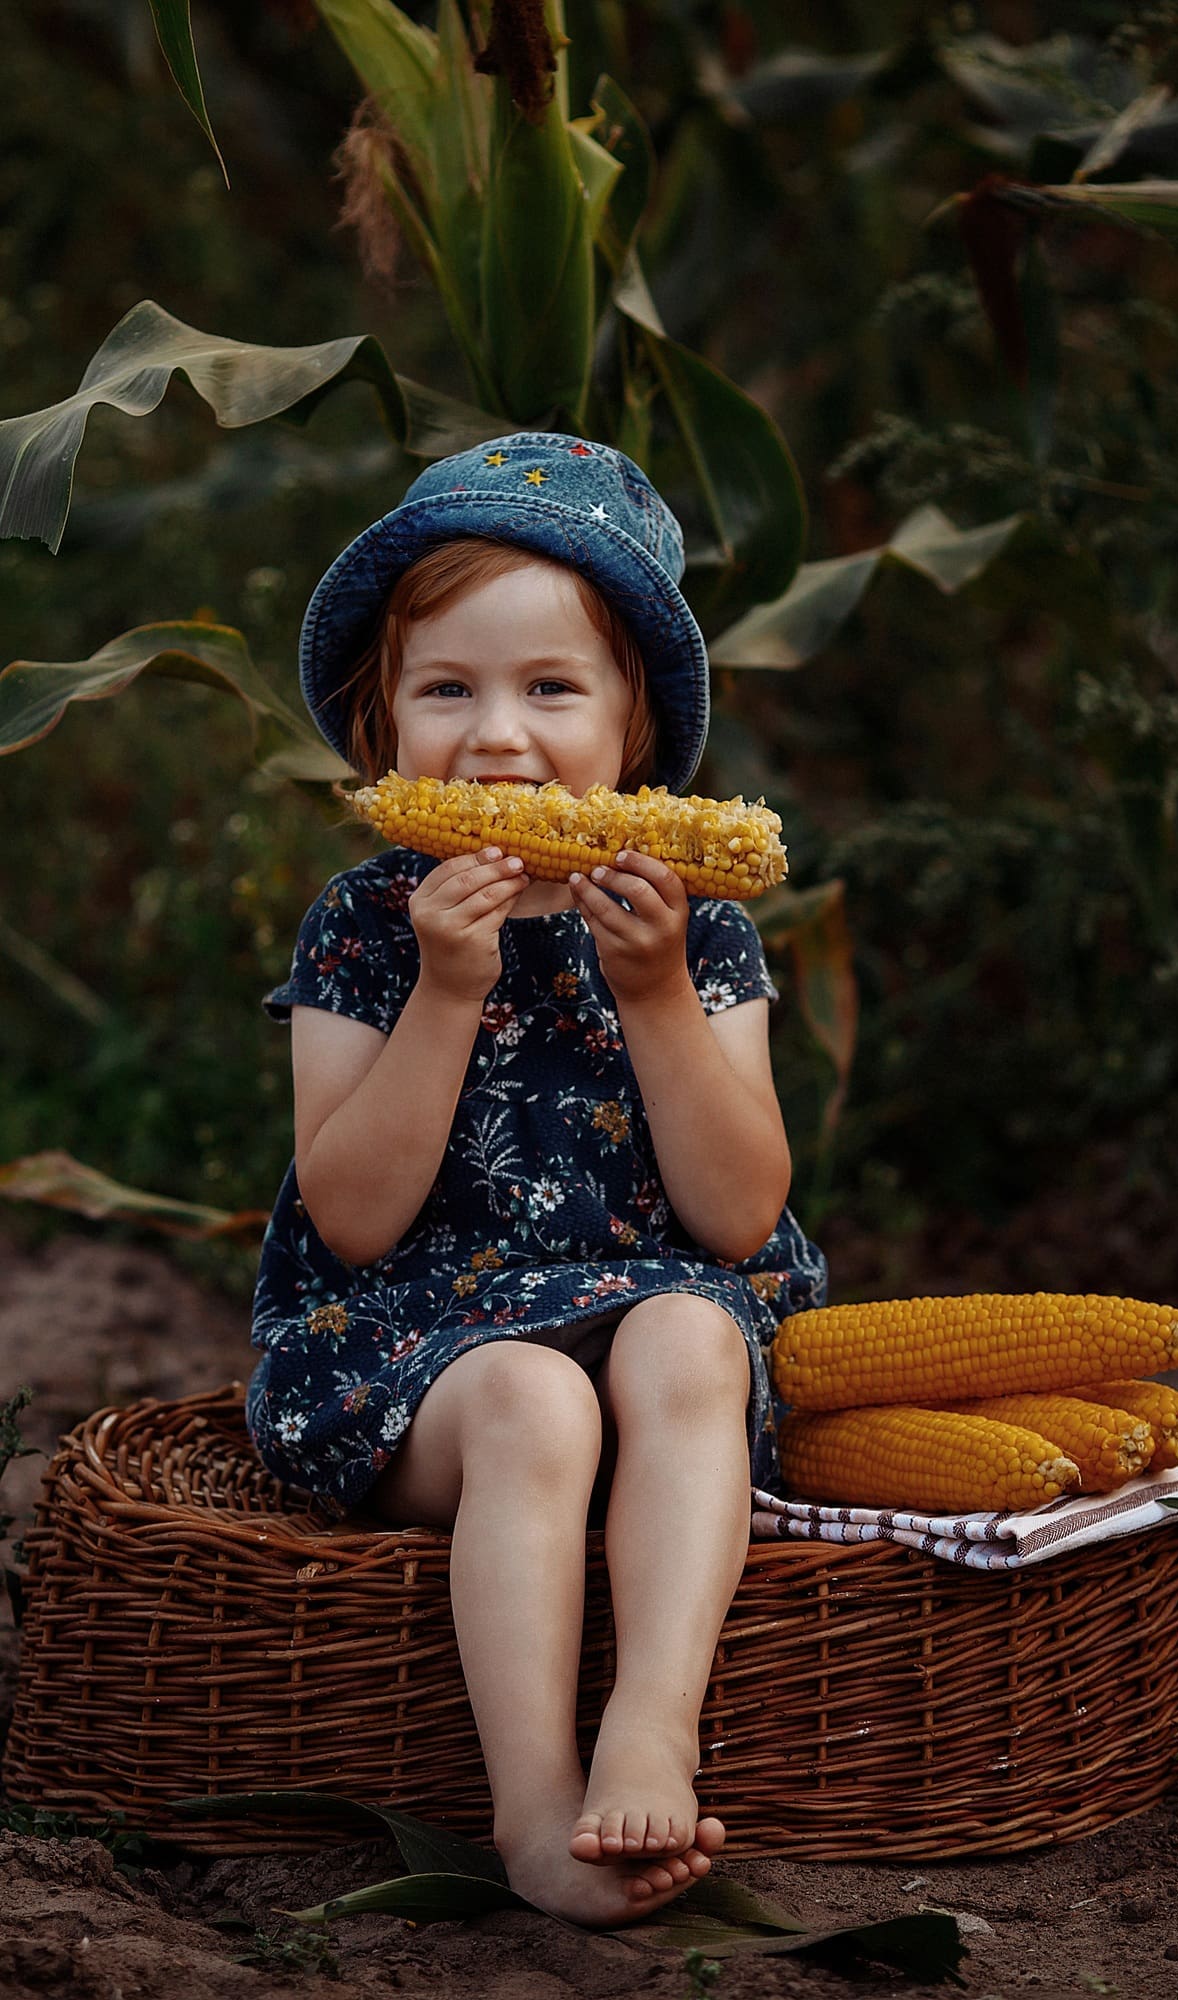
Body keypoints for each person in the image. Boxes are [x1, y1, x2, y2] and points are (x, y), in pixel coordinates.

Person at [246, 432, 827, 1926]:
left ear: (635, 724)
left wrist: (651, 1000)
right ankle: (529, 1814)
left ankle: (654, 1717)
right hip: (414, 1349)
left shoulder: (695, 932)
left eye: (550, 688)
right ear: (383, 723)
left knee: (691, 1328)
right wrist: (445, 992)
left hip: (654, 1304)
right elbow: (353, 1216)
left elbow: (737, 1215)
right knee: (531, 1396)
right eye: (448, 690)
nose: (496, 737)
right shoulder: (368, 925)